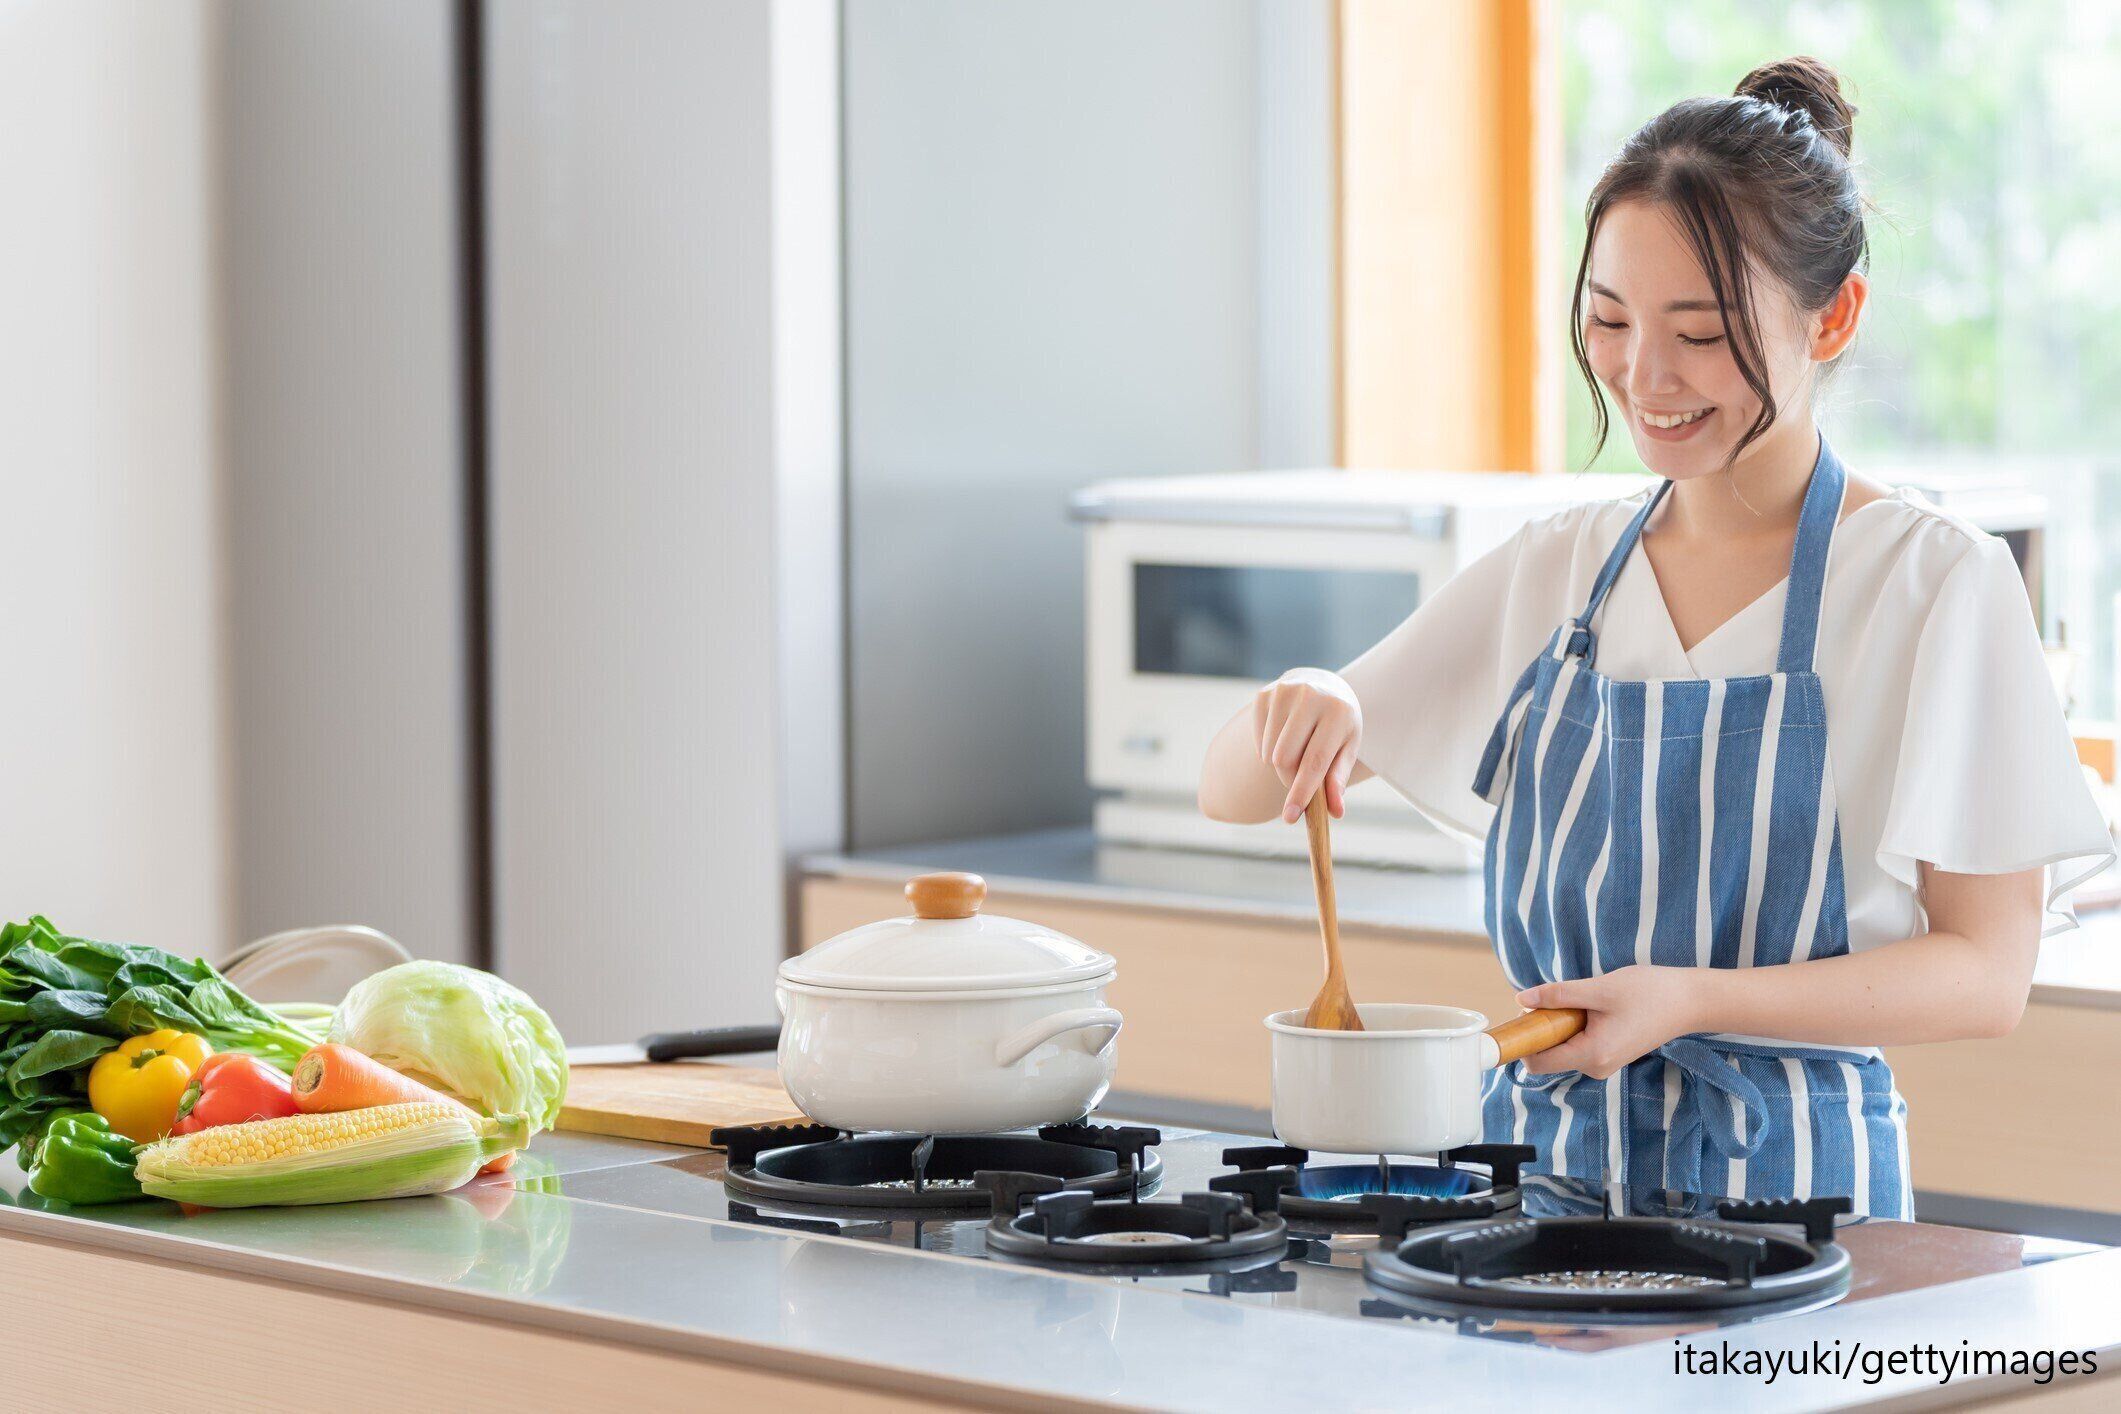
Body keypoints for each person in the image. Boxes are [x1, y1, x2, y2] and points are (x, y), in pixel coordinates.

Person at [1196, 57, 2114, 1218]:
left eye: (1700, 331)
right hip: (1536, 1204)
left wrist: (1691, 998)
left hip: (1799, 1215)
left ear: (1833, 315)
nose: (1645, 377)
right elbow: (1231, 786)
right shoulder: (1559, 570)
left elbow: (1986, 975)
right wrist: (1311, 693)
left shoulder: (1935, 583)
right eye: (1611, 322)